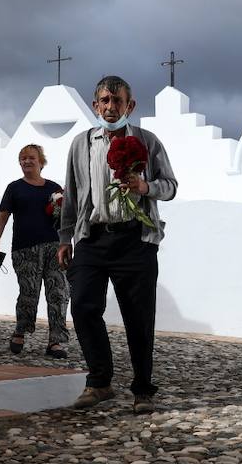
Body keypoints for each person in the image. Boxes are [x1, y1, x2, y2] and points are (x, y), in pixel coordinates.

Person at [57, 75, 178, 413]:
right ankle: (100, 382)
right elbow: (73, 194)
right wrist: (66, 237)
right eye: (104, 102)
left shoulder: (148, 141)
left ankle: (142, 390)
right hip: (92, 239)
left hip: (135, 240)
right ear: (95, 105)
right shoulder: (82, 144)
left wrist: (145, 187)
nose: (111, 108)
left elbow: (170, 186)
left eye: (118, 102)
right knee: (82, 307)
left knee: (138, 318)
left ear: (130, 106)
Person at [0, 144, 71, 358]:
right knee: (28, 293)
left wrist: (67, 243)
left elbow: (64, 218)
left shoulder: (54, 188)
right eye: (22, 158)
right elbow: (3, 215)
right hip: (25, 250)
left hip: (55, 248)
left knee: (59, 293)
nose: (26, 161)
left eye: (31, 158)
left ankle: (56, 341)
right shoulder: (14, 188)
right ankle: (21, 331)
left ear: (41, 161)